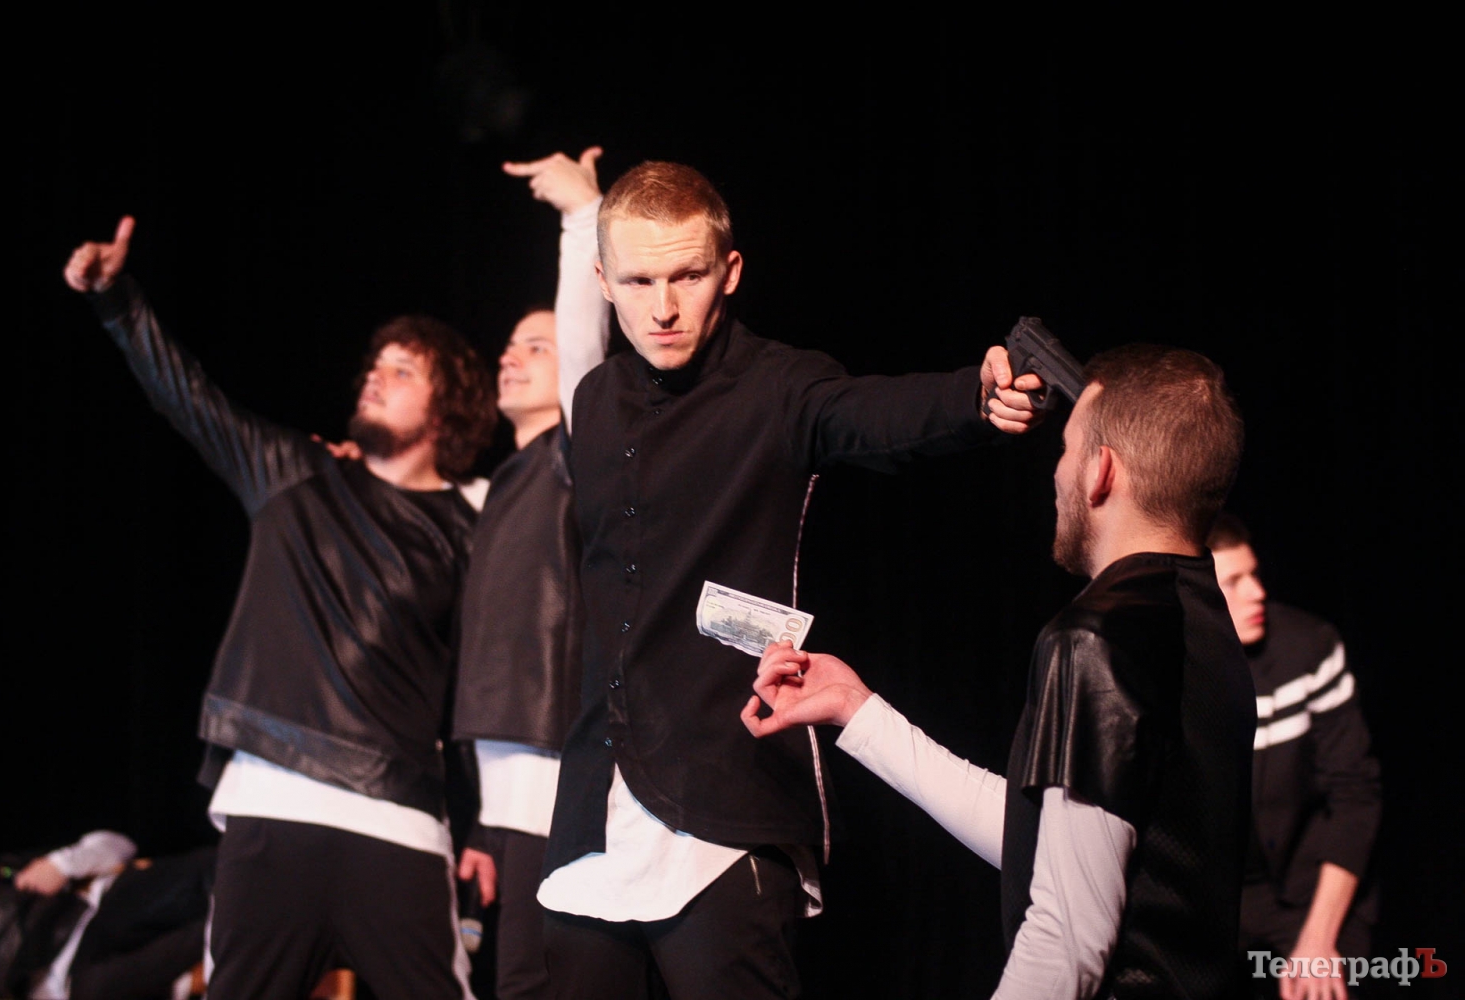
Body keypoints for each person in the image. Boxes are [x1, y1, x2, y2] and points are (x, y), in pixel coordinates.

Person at [534, 160, 1045, 999]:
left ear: (730, 271)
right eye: (638, 281)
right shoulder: (593, 399)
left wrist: (975, 400)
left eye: (687, 275)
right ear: (603, 280)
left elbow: (873, 415)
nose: (663, 307)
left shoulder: (778, 385)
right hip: (595, 806)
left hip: (725, 797)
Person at [64, 222, 495, 1000]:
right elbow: (187, 396)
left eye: (401, 370)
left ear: (447, 412)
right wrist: (115, 299)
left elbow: (490, 683)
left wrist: (487, 819)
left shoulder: (476, 525)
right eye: (373, 365)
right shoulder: (294, 474)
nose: (374, 378)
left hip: (396, 822)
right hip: (272, 806)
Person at [743, 344, 1255, 999]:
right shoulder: (1203, 621)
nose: (1057, 472)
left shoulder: (1095, 637)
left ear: (1101, 471)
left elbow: (1067, 938)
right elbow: (1052, 845)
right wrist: (856, 708)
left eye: (1067, 450)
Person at [450, 147, 610, 1000]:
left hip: (562, 774)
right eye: (510, 345)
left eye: (535, 346)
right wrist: (483, 820)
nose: (512, 357)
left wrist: (582, 219)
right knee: (517, 979)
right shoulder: (498, 488)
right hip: (509, 794)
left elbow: (585, 341)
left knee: (536, 983)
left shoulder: (574, 457)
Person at [1209, 514, 1381, 1000]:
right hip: (1212, 900)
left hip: (1309, 892)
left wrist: (1319, 938)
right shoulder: (1167, 670)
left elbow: (1355, 794)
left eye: (1254, 574)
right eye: (1233, 582)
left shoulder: (1310, 647)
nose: (1257, 592)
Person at [0, 831, 214, 1000]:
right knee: (95, 988)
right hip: (76, 981)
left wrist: (61, 865)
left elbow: (120, 845)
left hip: (98, 912)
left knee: (134, 900)